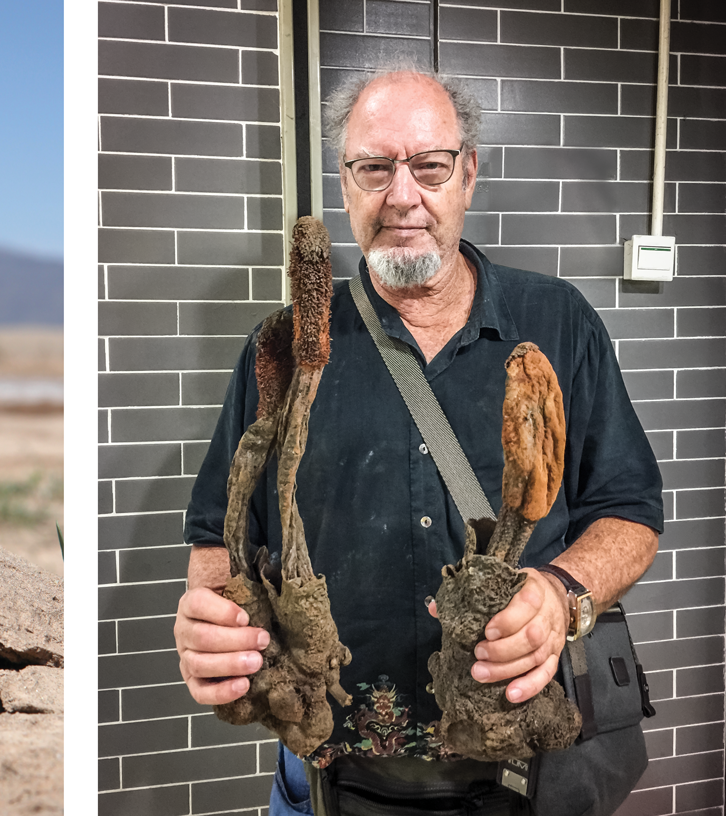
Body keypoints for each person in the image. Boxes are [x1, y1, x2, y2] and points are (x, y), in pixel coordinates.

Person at [173, 69, 663, 815]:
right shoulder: (282, 346)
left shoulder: (558, 322)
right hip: (329, 783)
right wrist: (213, 619)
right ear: (345, 184)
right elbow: (220, 532)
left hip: (527, 775)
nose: (403, 196)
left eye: (429, 166)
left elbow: (630, 510)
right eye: (374, 168)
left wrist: (561, 594)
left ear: (468, 172)